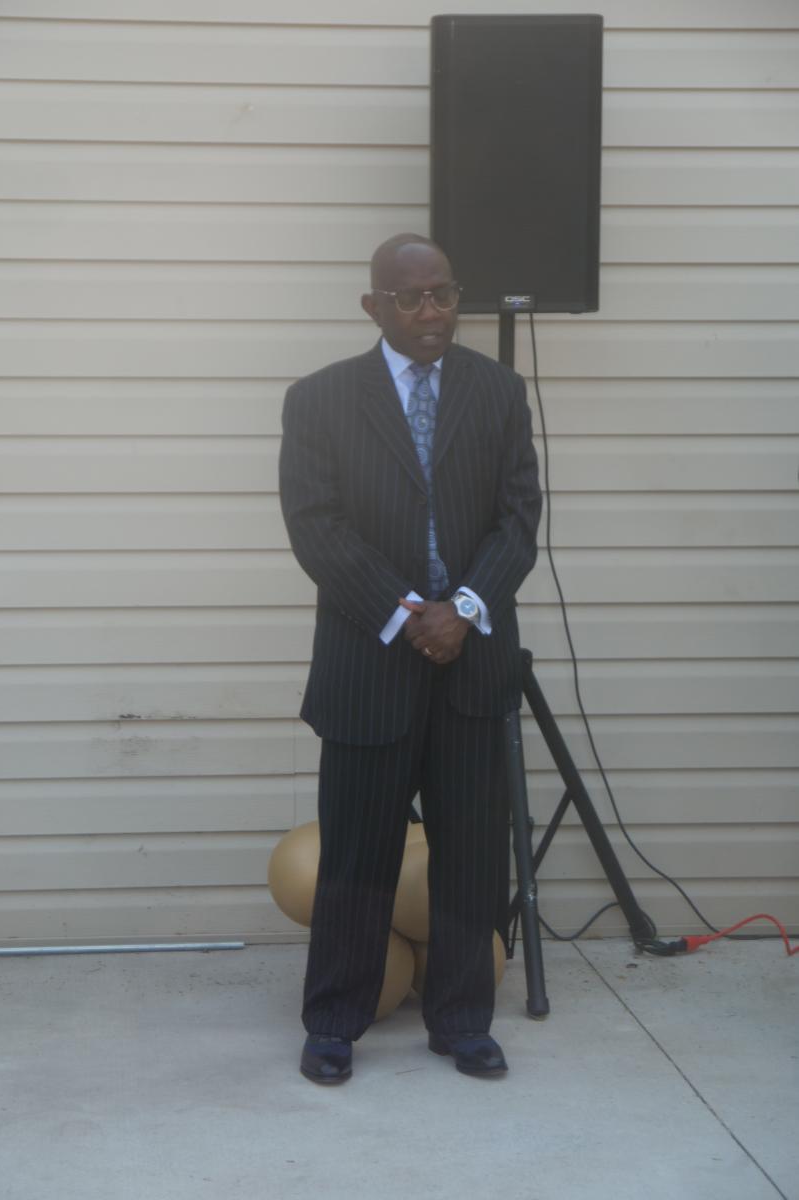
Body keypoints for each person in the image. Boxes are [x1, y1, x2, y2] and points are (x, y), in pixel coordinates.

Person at [278, 233, 542, 1084]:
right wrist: (406, 614)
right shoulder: (319, 399)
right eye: (411, 297)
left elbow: (518, 519)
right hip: (370, 659)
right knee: (358, 854)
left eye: (444, 293)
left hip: (471, 661)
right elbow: (315, 526)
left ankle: (462, 1021)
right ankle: (336, 1020)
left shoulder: (497, 391)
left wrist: (462, 610)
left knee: (471, 853)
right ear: (375, 306)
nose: (432, 311)